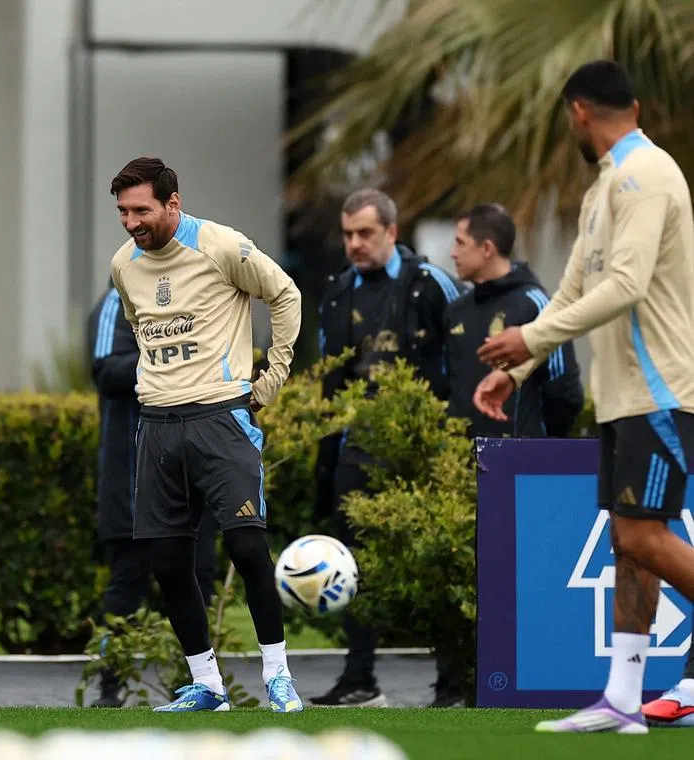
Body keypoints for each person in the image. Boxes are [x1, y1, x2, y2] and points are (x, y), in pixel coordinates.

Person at [476, 60, 694, 734]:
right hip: (622, 396)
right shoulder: (604, 187)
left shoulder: (647, 174)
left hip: (660, 389)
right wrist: (519, 366)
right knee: (628, 549)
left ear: (578, 111)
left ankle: (628, 699)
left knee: (641, 534)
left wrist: (530, 335)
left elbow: (626, 285)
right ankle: (622, 701)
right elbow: (574, 291)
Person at [108, 156, 303, 713]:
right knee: (168, 564)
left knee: (246, 546)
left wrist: (272, 376)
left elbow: (285, 294)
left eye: (141, 210)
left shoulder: (219, 245)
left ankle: (278, 678)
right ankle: (208, 687)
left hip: (221, 419)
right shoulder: (125, 264)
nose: (130, 223)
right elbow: (138, 324)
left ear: (173, 201)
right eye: (122, 212)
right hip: (158, 427)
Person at [313, 188, 463, 708]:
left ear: (392, 233)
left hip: (424, 443)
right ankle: (360, 679)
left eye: (366, 233)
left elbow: (464, 362)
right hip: (357, 444)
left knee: (437, 562)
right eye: (348, 233)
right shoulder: (334, 292)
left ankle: (452, 681)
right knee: (355, 565)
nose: (355, 243)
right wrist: (324, 457)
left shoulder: (432, 283)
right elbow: (329, 381)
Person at [85, 279, 219, 708]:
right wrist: (169, 359)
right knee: (127, 586)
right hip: (132, 478)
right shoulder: (115, 301)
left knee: (199, 578)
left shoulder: (195, 297)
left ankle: (201, 684)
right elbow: (105, 368)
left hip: (192, 475)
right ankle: (109, 688)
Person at [445, 203, 584, 440]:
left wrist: (534, 445)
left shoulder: (534, 304)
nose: (453, 253)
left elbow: (565, 390)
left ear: (486, 248)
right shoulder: (456, 310)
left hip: (518, 461)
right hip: (459, 463)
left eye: (460, 243)